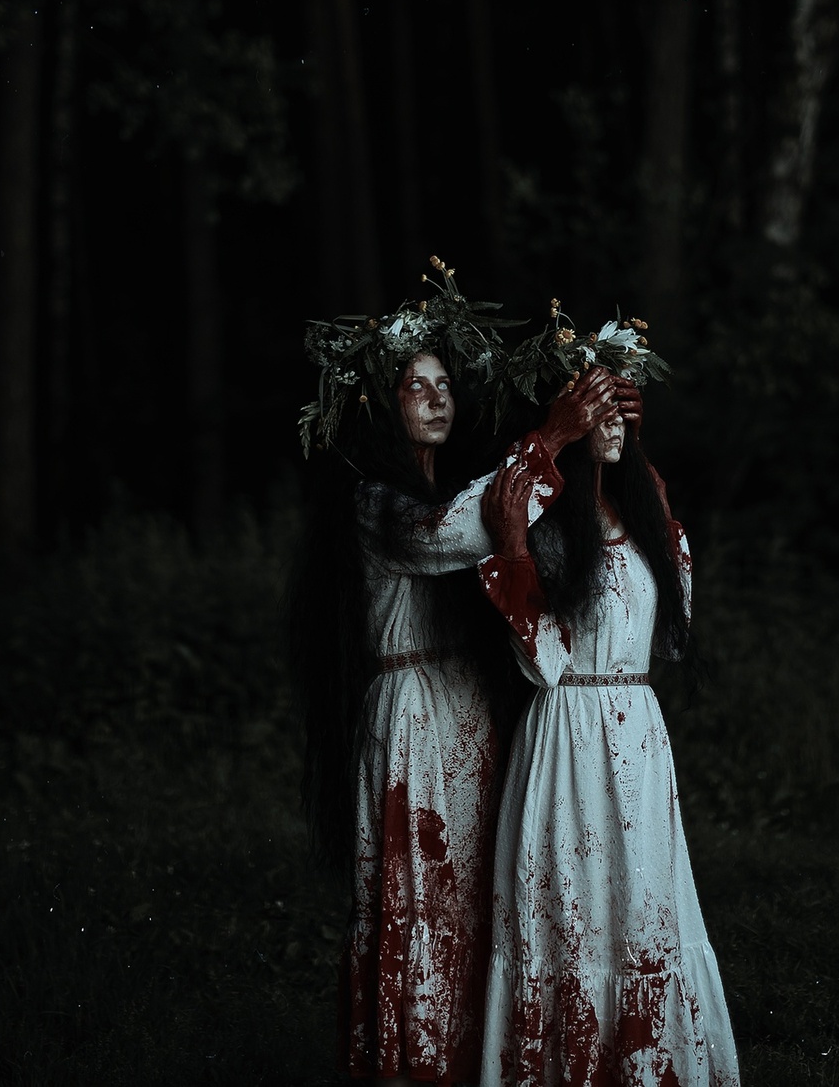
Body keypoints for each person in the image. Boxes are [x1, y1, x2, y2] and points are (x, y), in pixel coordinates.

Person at [291, 307, 635, 1083]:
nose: (438, 398)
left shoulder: (461, 483)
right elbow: (456, 529)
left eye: (445, 384)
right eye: (417, 387)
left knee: (481, 893)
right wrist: (550, 439)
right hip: (411, 710)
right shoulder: (377, 502)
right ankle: (416, 1065)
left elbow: (519, 533)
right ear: (383, 403)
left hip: (470, 704)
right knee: (421, 891)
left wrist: (609, 453)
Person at [473, 394, 740, 1087]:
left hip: (639, 741)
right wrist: (511, 547)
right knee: (572, 909)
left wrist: (664, 511)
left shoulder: (649, 527)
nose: (615, 423)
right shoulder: (555, 533)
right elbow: (544, 663)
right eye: (598, 409)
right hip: (567, 736)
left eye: (624, 410)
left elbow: (673, 641)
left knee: (644, 907)